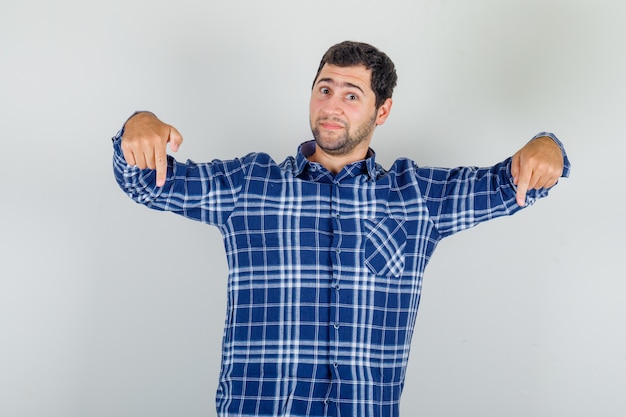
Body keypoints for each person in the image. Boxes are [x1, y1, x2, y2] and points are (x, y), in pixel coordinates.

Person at [112, 41, 570, 417]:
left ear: (382, 111)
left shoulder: (419, 198)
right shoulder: (248, 185)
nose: (332, 106)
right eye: (324, 89)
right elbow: (143, 182)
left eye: (351, 94)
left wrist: (547, 145)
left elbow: (515, 183)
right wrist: (139, 123)